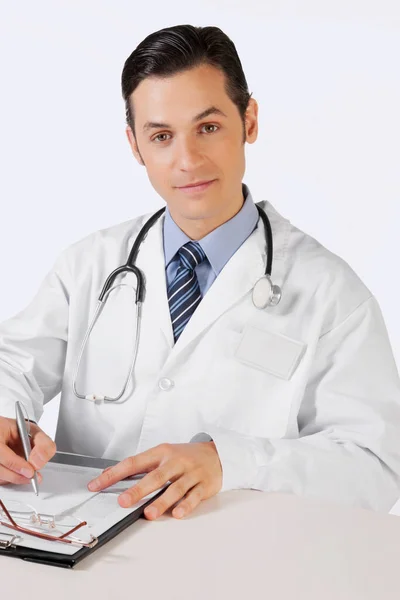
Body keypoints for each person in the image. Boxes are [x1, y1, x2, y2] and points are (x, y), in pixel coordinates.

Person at [1, 24, 400, 522]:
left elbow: (374, 466)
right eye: (162, 136)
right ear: (135, 146)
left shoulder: (332, 294)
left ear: (249, 120)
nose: (187, 160)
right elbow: (12, 362)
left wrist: (229, 462)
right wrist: (3, 415)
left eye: (207, 127)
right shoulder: (89, 266)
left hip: (241, 563)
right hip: (85, 555)